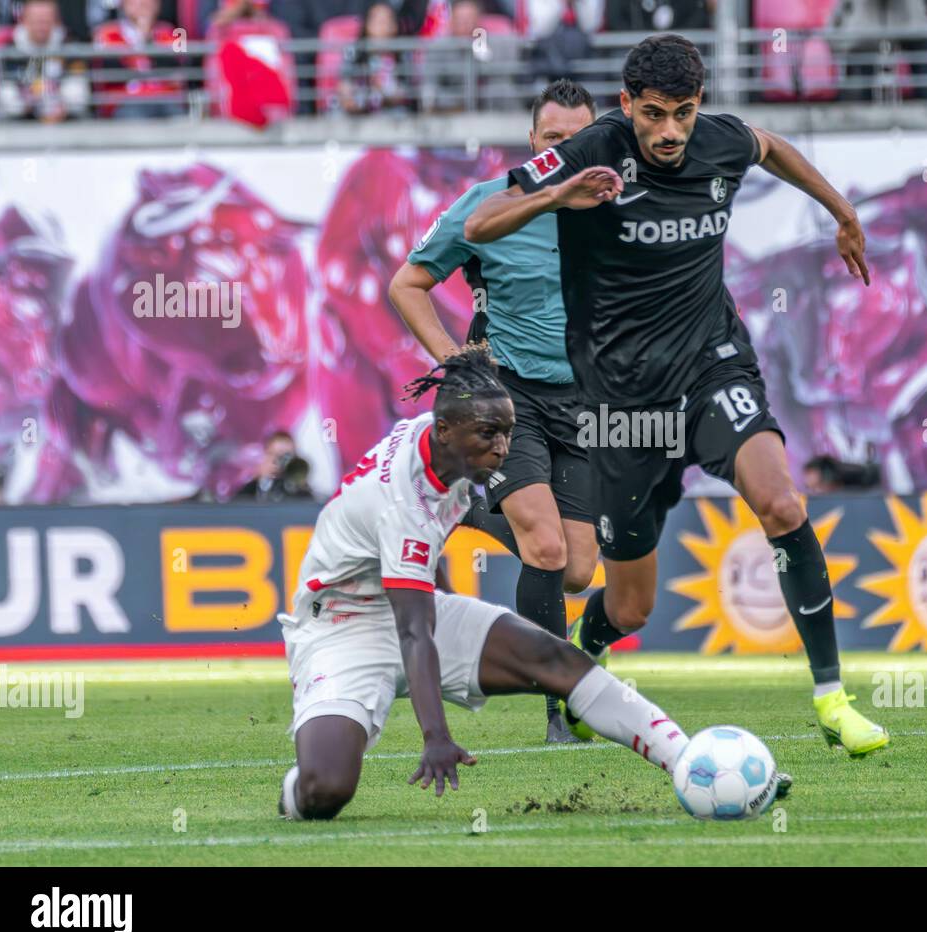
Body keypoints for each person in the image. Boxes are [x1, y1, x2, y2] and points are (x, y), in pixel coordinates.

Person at [464, 33, 889, 756]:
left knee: (782, 502)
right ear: (627, 105)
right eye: (654, 114)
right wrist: (562, 195)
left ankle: (831, 697)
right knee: (629, 601)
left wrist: (840, 210)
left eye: (683, 114)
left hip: (710, 367)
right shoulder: (588, 149)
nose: (668, 132)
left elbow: (772, 146)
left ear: (701, 107)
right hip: (621, 405)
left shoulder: (719, 143)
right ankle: (588, 641)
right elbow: (481, 223)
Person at [277, 345, 693, 819]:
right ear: (446, 430)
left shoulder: (437, 445)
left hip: (409, 606)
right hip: (341, 629)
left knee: (557, 659)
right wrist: (436, 737)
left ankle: (691, 762)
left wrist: (458, 615)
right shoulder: (401, 503)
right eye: (489, 433)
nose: (502, 446)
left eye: (508, 432)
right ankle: (297, 787)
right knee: (325, 791)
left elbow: (428, 549)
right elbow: (415, 631)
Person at [389, 78, 599, 744]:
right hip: (512, 396)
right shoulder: (486, 206)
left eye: (581, 138)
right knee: (542, 544)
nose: (567, 149)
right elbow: (409, 283)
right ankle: (557, 706)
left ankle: (474, 506)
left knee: (575, 568)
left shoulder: (619, 204)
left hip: (589, 401)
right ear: (533, 142)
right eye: (554, 138)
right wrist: (457, 362)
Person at [0, 0, 91, 122]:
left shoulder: (68, 46)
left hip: (64, 118)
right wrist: (28, 105)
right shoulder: (11, 50)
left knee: (85, 121)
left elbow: (79, 93)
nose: (41, 26)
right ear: (24, 20)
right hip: (22, 119)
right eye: (36, 21)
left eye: (46, 21)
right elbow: (5, 96)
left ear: (56, 21)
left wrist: (62, 107)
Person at [94, 0, 186, 118]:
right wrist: (140, 41)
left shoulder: (171, 32)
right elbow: (114, 73)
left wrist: (148, 39)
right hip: (125, 101)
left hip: (165, 98)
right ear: (124, 5)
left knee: (180, 121)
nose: (143, 5)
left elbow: (175, 72)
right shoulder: (107, 33)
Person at [339, 0, 407, 114]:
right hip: (357, 114)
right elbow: (344, 86)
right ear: (367, 24)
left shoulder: (401, 54)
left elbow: (403, 93)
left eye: (385, 21)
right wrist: (352, 102)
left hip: (389, 114)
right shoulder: (354, 51)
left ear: (394, 26)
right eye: (376, 20)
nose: (381, 25)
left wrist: (382, 90)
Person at [235, 429, 300, 502]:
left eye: (286, 457)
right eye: (273, 454)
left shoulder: (303, 495)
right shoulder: (246, 493)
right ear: (264, 456)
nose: (278, 462)